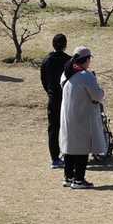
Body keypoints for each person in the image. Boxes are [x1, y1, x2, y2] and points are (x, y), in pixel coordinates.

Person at [60, 46, 106, 189]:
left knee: (69, 147)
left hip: (67, 116)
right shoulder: (85, 75)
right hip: (82, 116)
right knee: (82, 148)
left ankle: (68, 177)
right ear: (86, 60)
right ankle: (79, 179)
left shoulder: (66, 73)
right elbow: (98, 95)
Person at [40, 34, 71, 169]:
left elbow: (43, 79)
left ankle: (54, 158)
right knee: (69, 128)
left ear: (52, 45)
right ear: (65, 45)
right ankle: (70, 154)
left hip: (53, 98)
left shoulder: (46, 60)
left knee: (53, 128)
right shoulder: (70, 61)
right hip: (68, 99)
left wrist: (50, 91)